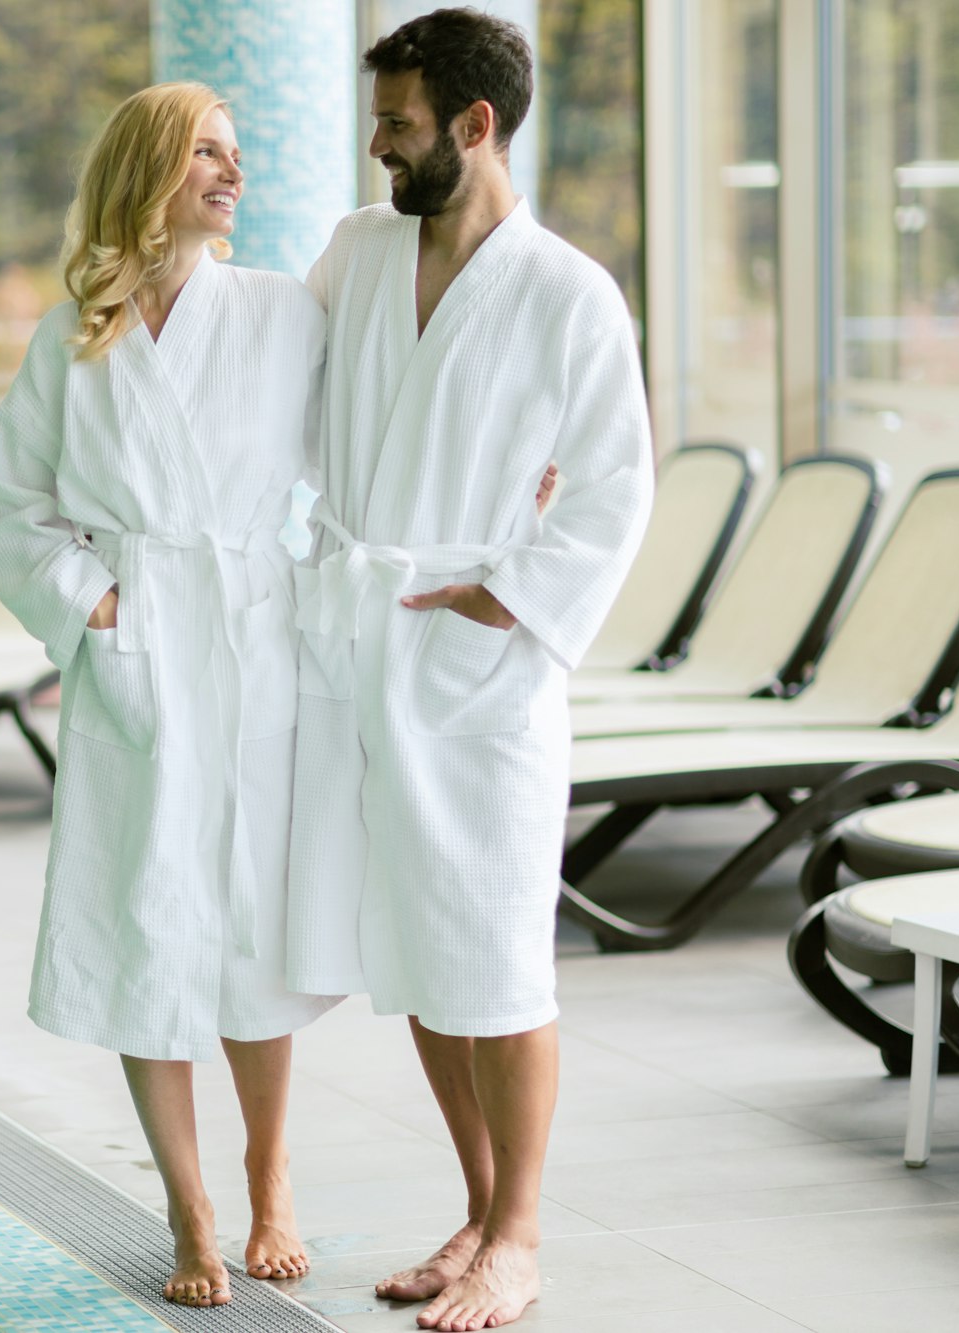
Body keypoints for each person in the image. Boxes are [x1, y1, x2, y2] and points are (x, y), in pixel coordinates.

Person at [286, 10, 654, 1332]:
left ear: (474, 126)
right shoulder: (357, 255)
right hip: (363, 637)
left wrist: (513, 592)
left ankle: (523, 1236)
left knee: (496, 951)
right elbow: (272, 384)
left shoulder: (568, 293)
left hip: (481, 663)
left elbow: (616, 487)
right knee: (421, 948)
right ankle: (477, 1207)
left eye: (397, 126)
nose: (377, 147)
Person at [0, 82, 338, 1308]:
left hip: (249, 638)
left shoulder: (284, 313)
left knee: (251, 924)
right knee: (148, 922)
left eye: (235, 154)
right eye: (204, 153)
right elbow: (10, 509)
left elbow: (370, 447)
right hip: (137, 650)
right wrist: (95, 604)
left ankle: (270, 1176)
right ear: (147, 170)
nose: (230, 173)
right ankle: (187, 1210)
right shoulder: (77, 334)